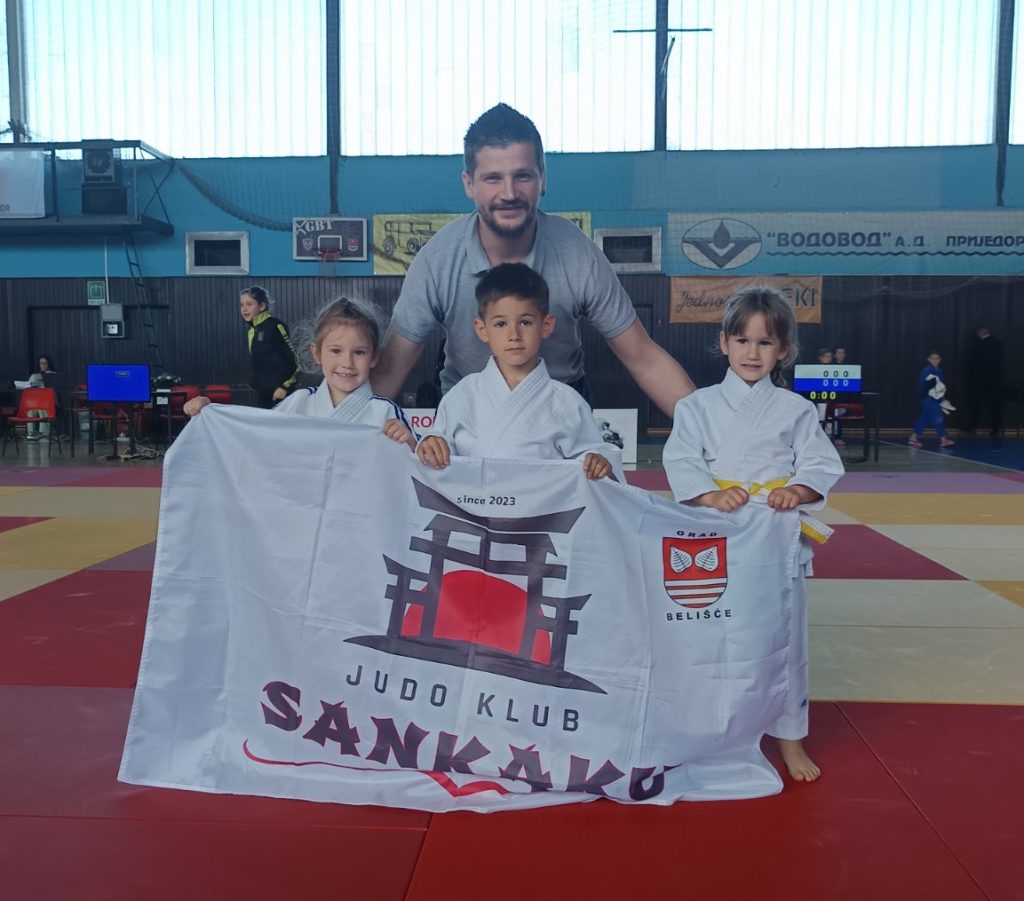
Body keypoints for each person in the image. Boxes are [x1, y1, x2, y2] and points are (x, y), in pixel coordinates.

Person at [374, 102, 695, 416]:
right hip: (469, 413)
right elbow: (390, 370)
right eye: (493, 178)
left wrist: (708, 430)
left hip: (562, 411)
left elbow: (644, 360)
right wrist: (349, 434)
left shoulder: (577, 253)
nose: (509, 193)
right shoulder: (438, 260)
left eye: (523, 176)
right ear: (469, 184)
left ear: (543, 179)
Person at [663, 288, 844, 783]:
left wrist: (797, 491)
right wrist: (708, 494)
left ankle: (790, 738)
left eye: (765, 343)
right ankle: (706, 729)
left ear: (782, 350)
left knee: (784, 638)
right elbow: (681, 459)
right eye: (742, 340)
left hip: (774, 536)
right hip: (717, 538)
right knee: (712, 636)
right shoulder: (697, 406)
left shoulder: (795, 409)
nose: (752, 352)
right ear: (724, 342)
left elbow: (819, 463)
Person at [416, 262, 614, 480]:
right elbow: (439, 445)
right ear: (482, 329)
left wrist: (597, 461)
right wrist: (432, 444)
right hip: (470, 501)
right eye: (501, 324)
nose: (514, 335)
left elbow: (592, 458)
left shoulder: (567, 402)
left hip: (542, 501)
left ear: (546, 325)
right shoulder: (463, 394)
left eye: (525, 322)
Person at [185, 298, 415, 448]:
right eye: (335, 351)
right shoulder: (299, 402)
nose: (347, 362)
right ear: (316, 353)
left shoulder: (385, 411)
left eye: (360, 352)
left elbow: (417, 463)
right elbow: (254, 433)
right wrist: (212, 414)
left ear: (374, 357)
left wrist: (409, 442)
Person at [239, 286, 299, 409]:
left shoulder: (275, 326)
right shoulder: (252, 331)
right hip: (263, 394)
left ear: (262, 306)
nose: (244, 309)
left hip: (280, 395)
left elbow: (295, 359)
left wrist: (284, 387)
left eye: (249, 304)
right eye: (242, 304)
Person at [909, 351, 955, 448]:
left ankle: (913, 438)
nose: (935, 360)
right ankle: (943, 439)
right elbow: (921, 385)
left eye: (937, 358)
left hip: (935, 399)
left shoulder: (939, 371)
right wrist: (926, 395)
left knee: (924, 418)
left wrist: (942, 398)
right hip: (928, 398)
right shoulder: (926, 370)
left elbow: (941, 386)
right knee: (938, 418)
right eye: (932, 358)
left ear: (940, 360)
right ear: (928, 359)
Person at [965, 327, 1004, 436]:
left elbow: (973, 363)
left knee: (976, 403)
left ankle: (972, 426)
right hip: (996, 378)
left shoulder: (977, 345)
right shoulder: (998, 343)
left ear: (980, 334)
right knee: (995, 404)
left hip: (980, 378)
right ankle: (996, 428)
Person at [25, 354, 57, 440]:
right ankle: (31, 433)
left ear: (48, 364)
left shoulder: (53, 375)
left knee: (42, 409)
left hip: (48, 402)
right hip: (35, 402)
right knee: (30, 411)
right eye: (41, 363)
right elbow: (28, 389)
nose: (43, 365)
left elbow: (55, 390)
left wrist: (44, 379)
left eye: (45, 363)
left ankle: (44, 434)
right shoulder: (34, 375)